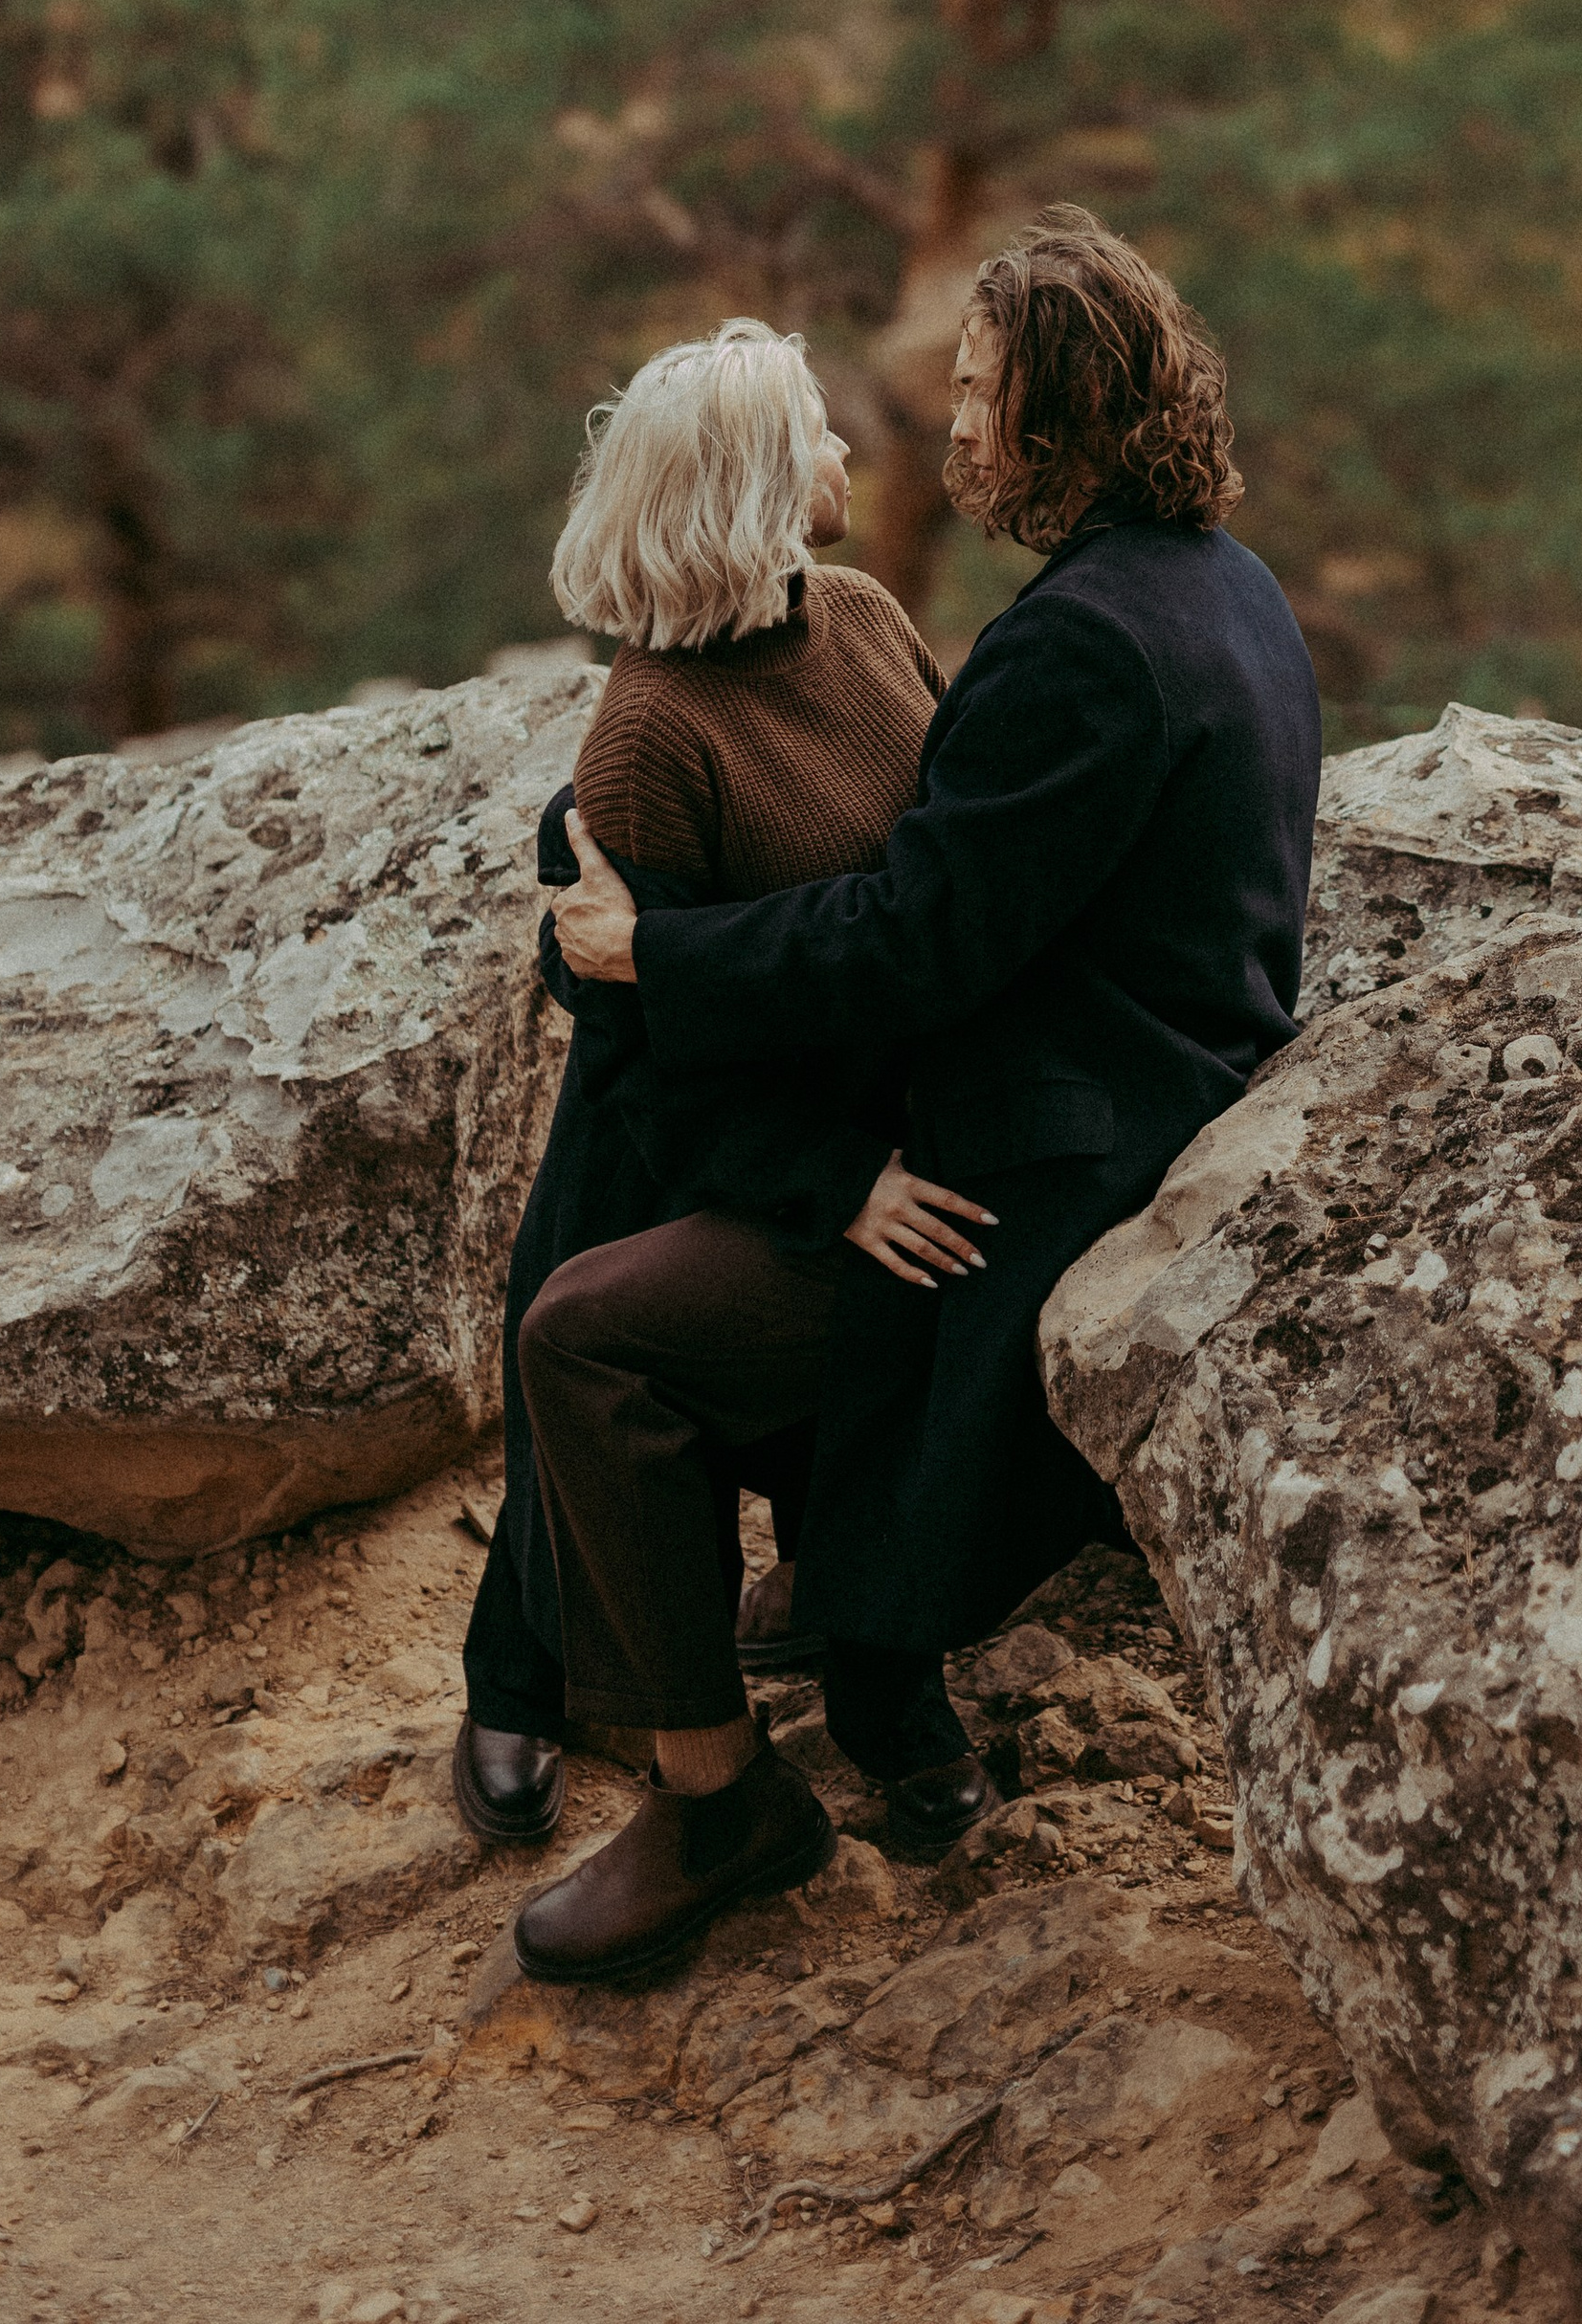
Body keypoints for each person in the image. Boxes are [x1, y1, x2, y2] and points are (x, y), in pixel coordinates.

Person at [524, 208, 1323, 1985]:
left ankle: (722, 1793)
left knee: (591, 1337)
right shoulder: (1225, 589)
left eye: (978, 397)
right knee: (681, 1269)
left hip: (1032, 1167)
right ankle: (863, 1675)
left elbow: (915, 938)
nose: (941, 431)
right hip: (1130, 1102)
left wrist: (663, 962)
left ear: (1065, 425)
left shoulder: (1070, 643)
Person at [453, 317, 991, 1874]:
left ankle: (886, 1704)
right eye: (815, 437)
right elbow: (645, 1066)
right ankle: (528, 1690)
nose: (846, 455)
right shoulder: (645, 741)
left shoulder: (871, 613)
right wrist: (834, 1183)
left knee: (835, 1418)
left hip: (870, 1102)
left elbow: (942, 864)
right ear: (756, 487)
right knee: (585, 1368)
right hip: (702, 1140)